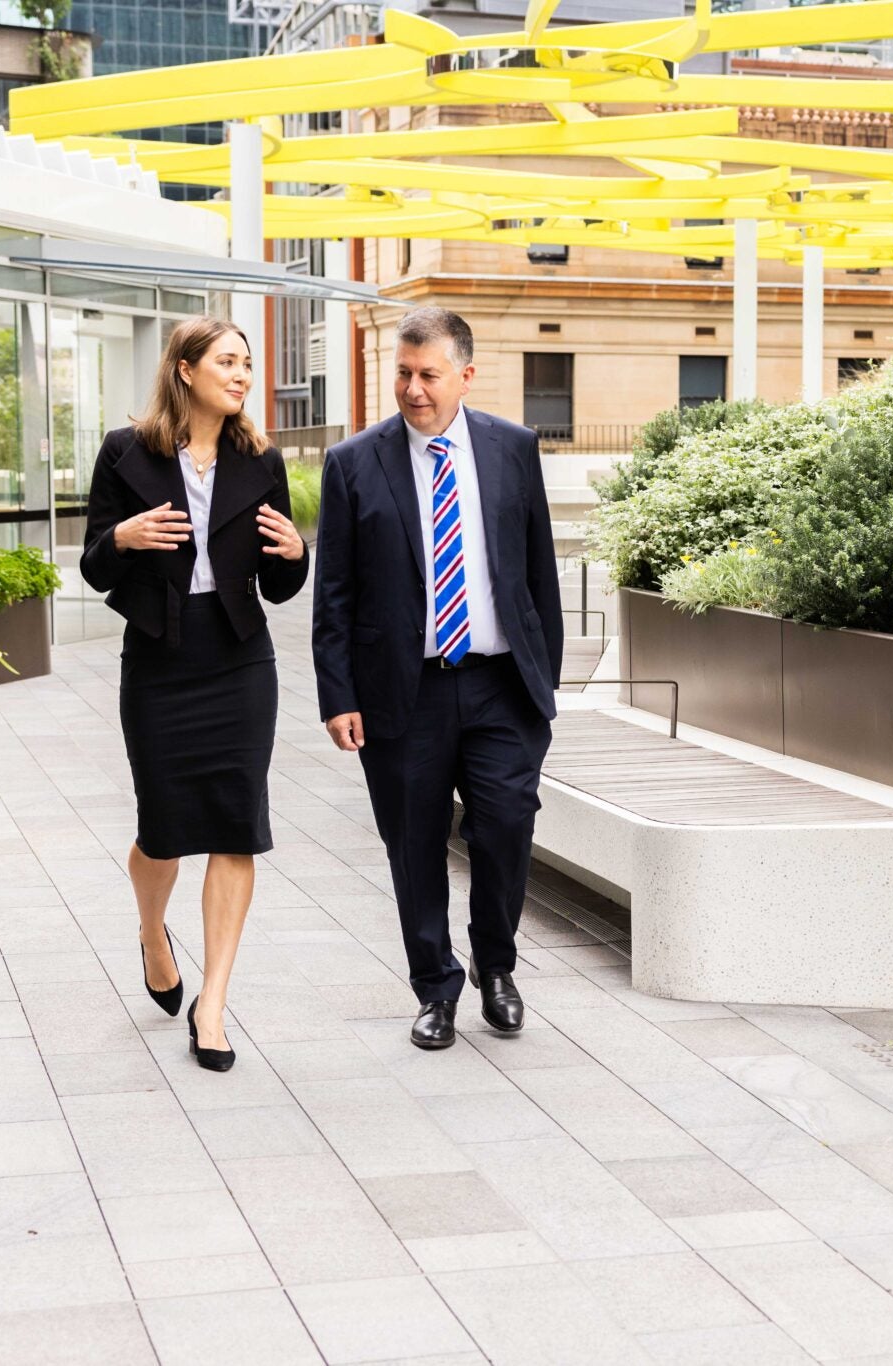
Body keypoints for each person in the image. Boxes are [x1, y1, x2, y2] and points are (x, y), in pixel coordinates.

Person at [312, 307, 563, 1050]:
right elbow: (335, 595)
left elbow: (537, 573)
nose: (414, 389)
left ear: (465, 375)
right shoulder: (355, 462)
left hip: (499, 688)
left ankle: (496, 967)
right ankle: (436, 988)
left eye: (428, 375)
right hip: (402, 694)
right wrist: (339, 696)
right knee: (414, 846)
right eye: (403, 373)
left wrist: (542, 687)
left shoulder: (513, 448)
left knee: (506, 827)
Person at [80, 316, 308, 1073]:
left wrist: (297, 553)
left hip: (240, 659)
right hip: (159, 657)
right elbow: (92, 566)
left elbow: (278, 585)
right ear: (185, 369)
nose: (243, 376)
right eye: (228, 362)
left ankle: (212, 1006)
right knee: (164, 828)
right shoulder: (126, 451)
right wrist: (122, 540)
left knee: (236, 826)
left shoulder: (260, 458)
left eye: (248, 364)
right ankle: (153, 934)